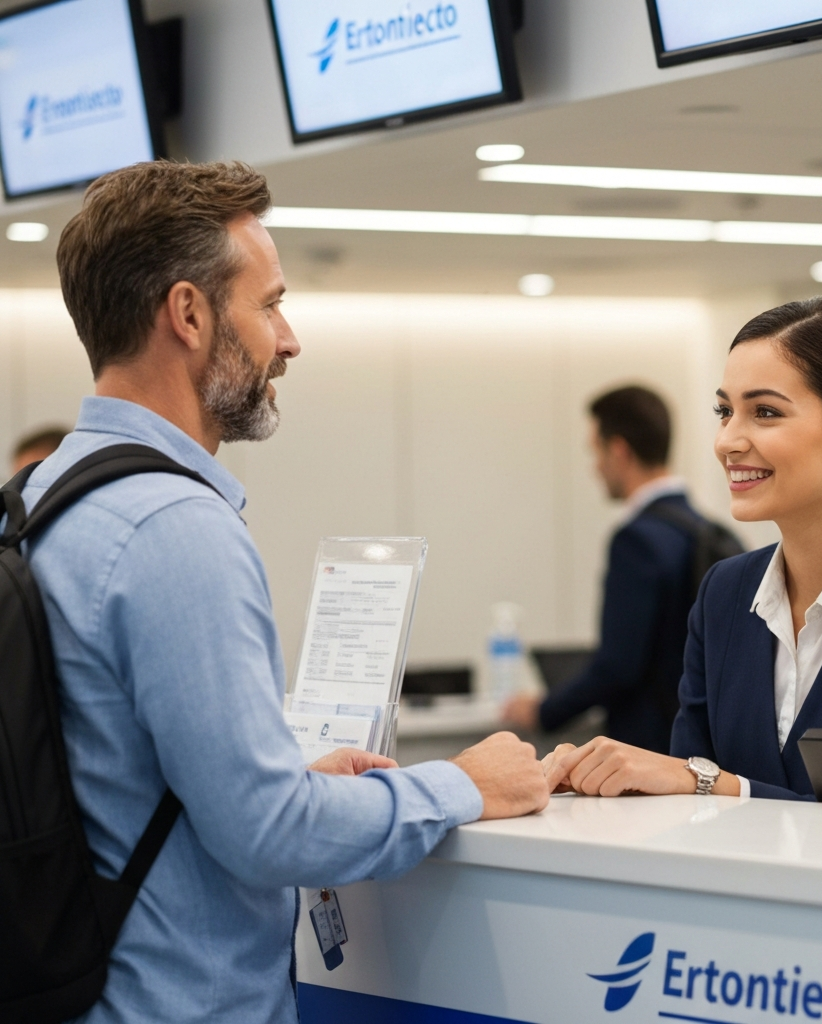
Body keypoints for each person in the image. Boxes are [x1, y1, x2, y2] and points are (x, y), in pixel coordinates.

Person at [11, 160, 547, 1024]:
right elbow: (268, 833)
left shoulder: (35, 500)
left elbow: (104, 772)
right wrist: (463, 784)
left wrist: (291, 774)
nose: (288, 340)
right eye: (267, 305)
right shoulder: (173, 528)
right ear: (187, 314)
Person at [545, 297, 822, 801]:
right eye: (725, 411)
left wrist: (716, 785)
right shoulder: (723, 592)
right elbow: (683, 798)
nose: (728, 441)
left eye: (765, 412)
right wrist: (603, 778)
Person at [504, 385, 731, 753]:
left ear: (619, 450)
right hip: (705, 741)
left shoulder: (637, 539)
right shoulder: (708, 531)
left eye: (596, 452)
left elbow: (618, 666)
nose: (595, 468)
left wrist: (544, 711)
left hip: (647, 746)